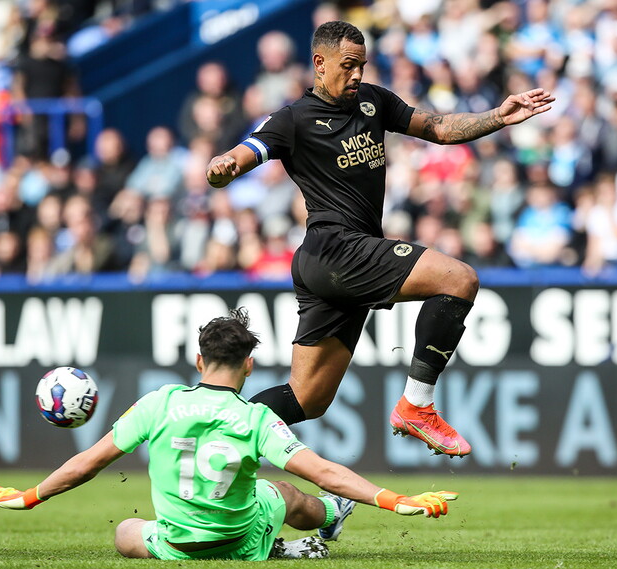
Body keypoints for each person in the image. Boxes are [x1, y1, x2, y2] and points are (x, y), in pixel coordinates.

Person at [205, 21, 554, 456]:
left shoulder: (373, 101)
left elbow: (441, 128)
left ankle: (216, 434)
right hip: (335, 249)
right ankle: (417, 406)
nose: (357, 75)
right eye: (348, 66)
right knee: (458, 279)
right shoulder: (293, 120)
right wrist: (223, 166)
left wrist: (499, 116)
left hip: (335, 262)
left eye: (362, 66)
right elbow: (246, 153)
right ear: (319, 63)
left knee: (305, 399)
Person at [0, 309, 457, 561]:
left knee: (126, 531)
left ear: (199, 361)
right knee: (284, 491)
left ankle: (292, 540)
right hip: (241, 542)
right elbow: (326, 471)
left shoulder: (158, 402)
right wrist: (396, 500)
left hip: (177, 545)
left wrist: (30, 496)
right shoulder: (255, 418)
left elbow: (88, 462)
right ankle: (330, 518)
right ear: (249, 365)